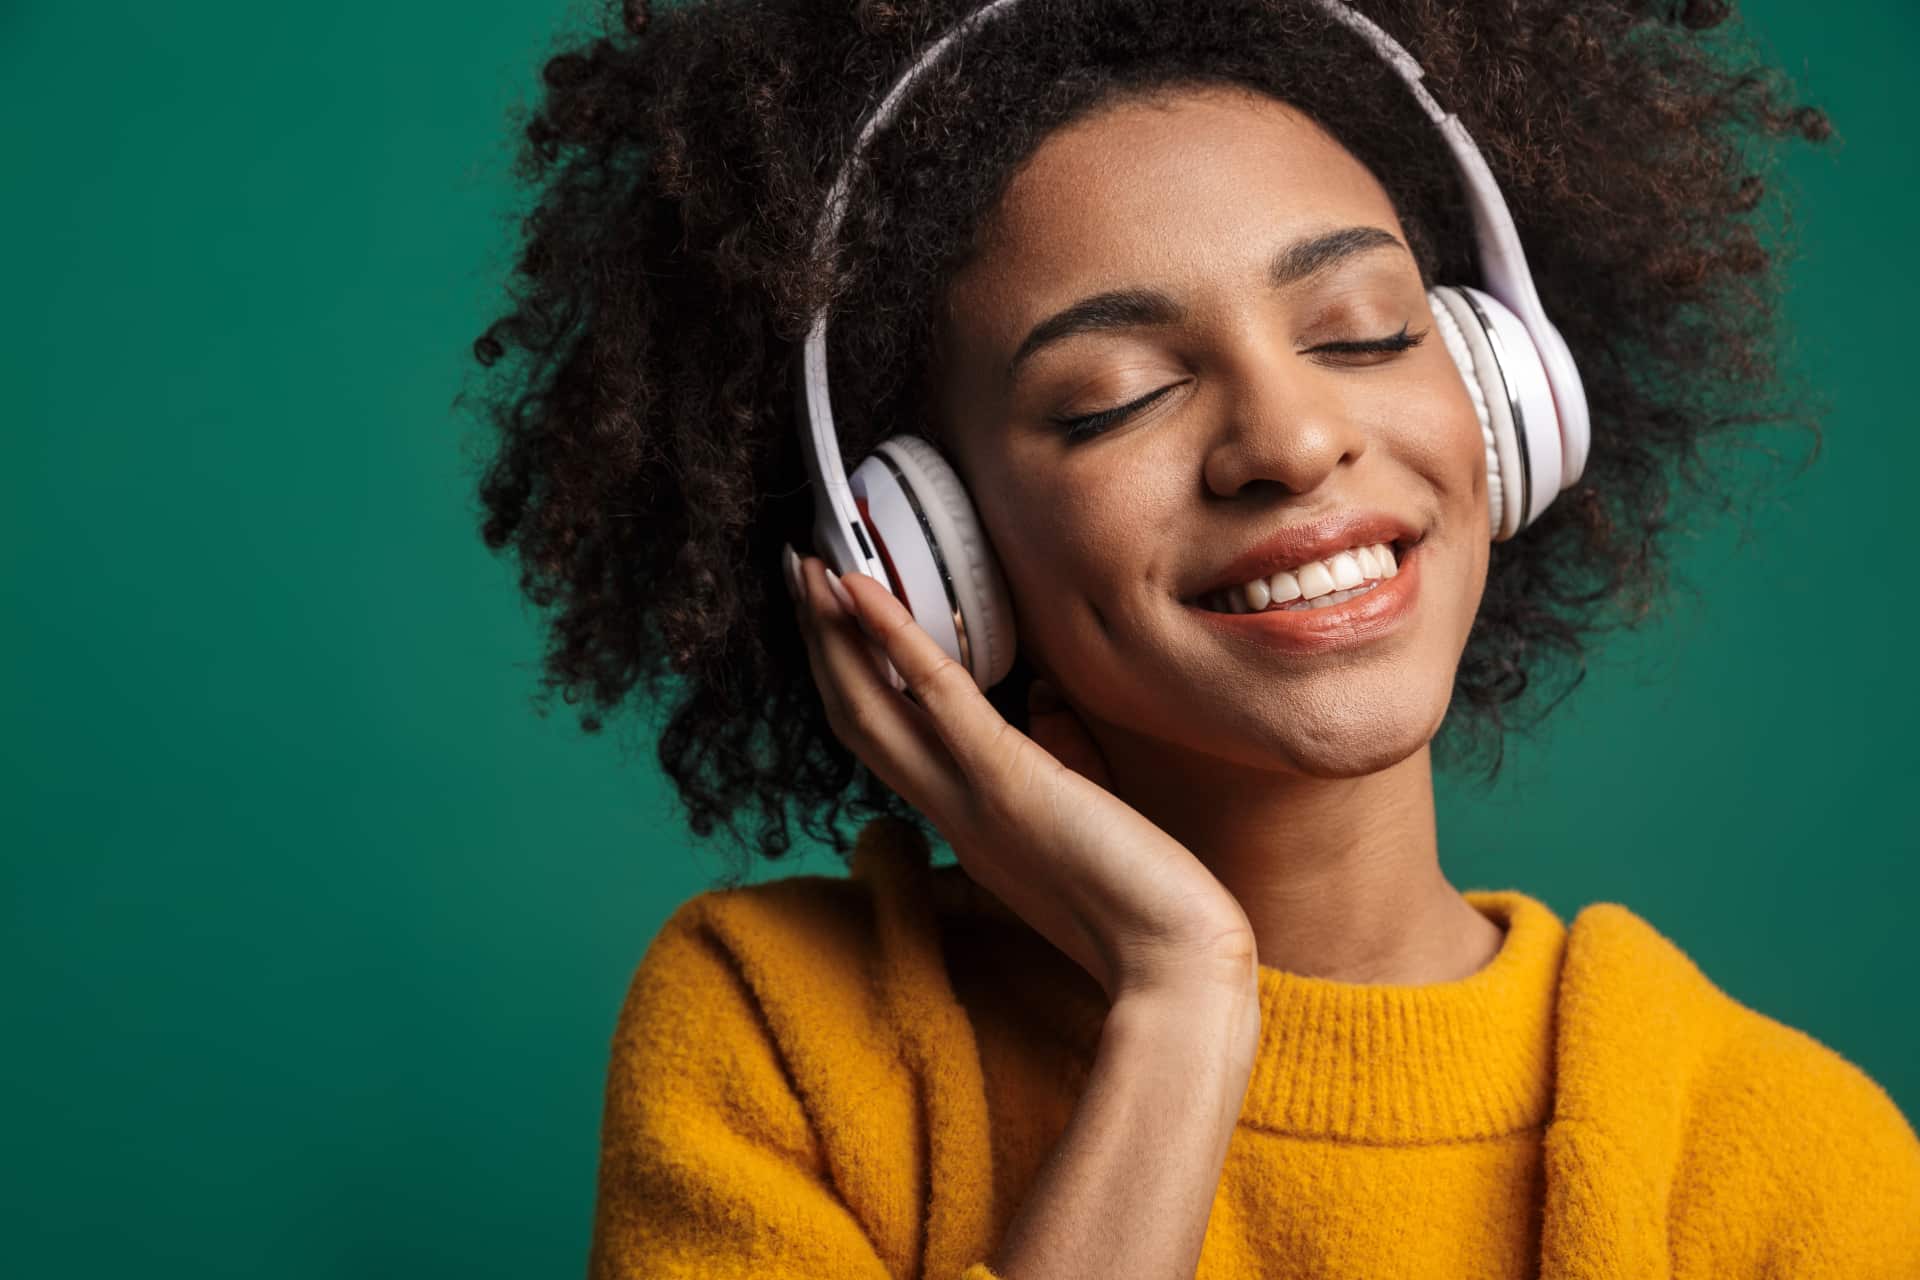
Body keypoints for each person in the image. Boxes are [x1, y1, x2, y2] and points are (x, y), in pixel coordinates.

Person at [465, 1, 1920, 1275]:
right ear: (922, 550)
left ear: (1504, 394)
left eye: (1360, 330)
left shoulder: (1787, 1159)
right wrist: (1180, 1002)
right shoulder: (785, 1041)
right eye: (1110, 399)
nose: (1289, 440)